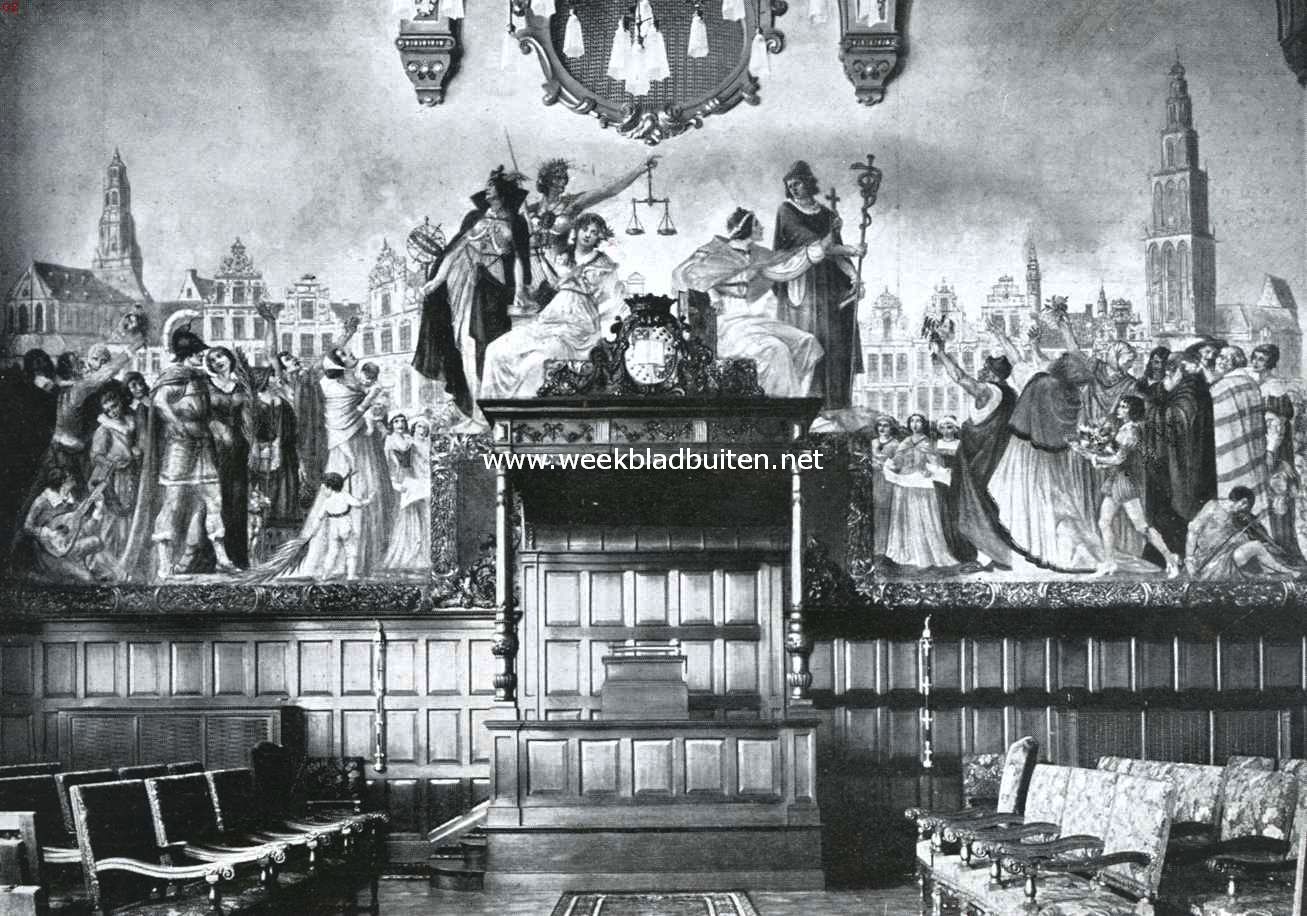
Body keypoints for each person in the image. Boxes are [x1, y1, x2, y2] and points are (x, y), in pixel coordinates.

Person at [672, 207, 855, 397]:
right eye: (757, 224)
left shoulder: (759, 256)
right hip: (725, 325)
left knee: (807, 342)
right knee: (776, 350)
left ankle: (791, 398)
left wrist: (831, 236)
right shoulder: (714, 253)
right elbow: (683, 274)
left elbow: (793, 262)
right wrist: (712, 293)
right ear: (745, 227)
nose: (761, 228)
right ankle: (777, 406)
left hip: (752, 320)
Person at [413, 166, 533, 432]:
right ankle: (477, 414)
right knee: (466, 346)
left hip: (496, 293)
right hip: (468, 289)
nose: (487, 189)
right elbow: (454, 252)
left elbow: (519, 261)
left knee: (488, 351)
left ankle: (489, 416)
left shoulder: (516, 222)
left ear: (501, 192)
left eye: (491, 185)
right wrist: (436, 281)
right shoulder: (475, 218)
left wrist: (521, 290)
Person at [121, 326, 236, 580]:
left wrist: (216, 426)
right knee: (172, 504)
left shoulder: (198, 377)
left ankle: (222, 559)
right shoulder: (174, 376)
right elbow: (161, 402)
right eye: (196, 353)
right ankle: (164, 565)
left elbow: (207, 411)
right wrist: (178, 424)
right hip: (180, 448)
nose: (201, 357)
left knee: (213, 500)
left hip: (203, 445)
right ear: (187, 353)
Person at [482, 213, 625, 399]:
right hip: (552, 315)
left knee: (536, 362)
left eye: (594, 232)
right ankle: (496, 413)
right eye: (585, 229)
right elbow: (554, 281)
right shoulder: (563, 255)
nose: (588, 235)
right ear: (577, 230)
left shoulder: (604, 263)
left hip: (580, 324)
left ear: (600, 236)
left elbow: (610, 298)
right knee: (495, 350)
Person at [987, 348, 1104, 572]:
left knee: (1044, 503)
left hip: (1030, 452)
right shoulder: (1057, 388)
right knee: (1052, 503)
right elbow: (1067, 429)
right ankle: (1056, 551)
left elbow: (1065, 427)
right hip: (1037, 453)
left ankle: (1049, 550)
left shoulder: (1044, 383)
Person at [772, 161, 863, 421]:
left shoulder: (825, 213)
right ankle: (808, 405)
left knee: (833, 339)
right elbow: (812, 244)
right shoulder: (786, 210)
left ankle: (834, 403)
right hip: (802, 284)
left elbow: (836, 253)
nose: (794, 189)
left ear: (809, 182)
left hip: (827, 285)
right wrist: (849, 248)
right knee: (811, 337)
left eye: (797, 183)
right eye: (790, 186)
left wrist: (853, 276)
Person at [1071, 395, 1181, 577]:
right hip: (1116, 479)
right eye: (1120, 406)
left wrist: (1094, 457)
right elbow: (1113, 458)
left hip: (1124, 482)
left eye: (1124, 407)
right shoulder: (1124, 429)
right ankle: (1109, 562)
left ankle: (1171, 559)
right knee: (1104, 522)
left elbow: (1118, 459)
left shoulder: (1131, 431)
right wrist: (1090, 453)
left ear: (1132, 411)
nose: (1120, 410)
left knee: (1141, 527)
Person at [527, 155, 659, 302]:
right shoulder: (531, 210)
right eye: (558, 177)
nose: (563, 181)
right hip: (535, 267)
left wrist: (638, 170)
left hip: (561, 268)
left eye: (564, 177)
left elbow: (607, 191)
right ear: (546, 181)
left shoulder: (571, 204)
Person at [933, 341, 1016, 568]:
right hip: (992, 457)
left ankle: (991, 554)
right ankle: (991, 555)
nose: (980, 371)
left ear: (993, 374)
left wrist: (941, 352)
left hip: (977, 459)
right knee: (984, 505)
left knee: (971, 505)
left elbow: (959, 378)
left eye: (985, 368)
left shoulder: (988, 391)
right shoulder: (1010, 395)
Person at [1142, 352, 1218, 560]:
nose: (1166, 374)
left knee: (1177, 509)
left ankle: (1178, 554)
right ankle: (1165, 554)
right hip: (1173, 461)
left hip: (1183, 467)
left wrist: (1151, 412)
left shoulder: (1191, 392)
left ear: (1177, 371)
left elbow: (1177, 419)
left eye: (1170, 370)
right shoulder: (1179, 390)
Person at [883, 414, 957, 569]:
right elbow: (897, 461)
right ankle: (905, 552)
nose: (915, 424)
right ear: (909, 424)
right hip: (904, 482)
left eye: (918, 421)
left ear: (923, 424)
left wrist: (930, 470)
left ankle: (923, 554)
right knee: (904, 517)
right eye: (912, 421)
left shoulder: (927, 443)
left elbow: (935, 462)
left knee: (921, 515)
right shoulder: (905, 442)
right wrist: (890, 465)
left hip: (920, 483)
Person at [204, 347, 254, 569]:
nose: (217, 362)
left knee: (238, 500)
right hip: (215, 448)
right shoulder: (207, 385)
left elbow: (247, 418)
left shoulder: (241, 386)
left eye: (220, 356)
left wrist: (253, 445)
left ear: (229, 358)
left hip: (239, 447)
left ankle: (239, 558)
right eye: (212, 360)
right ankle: (216, 558)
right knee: (218, 501)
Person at [21, 467, 114, 583]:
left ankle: (104, 573)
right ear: (63, 482)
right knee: (87, 579)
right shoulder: (41, 502)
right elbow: (27, 527)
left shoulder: (71, 503)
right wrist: (48, 533)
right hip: (49, 554)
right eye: (70, 478)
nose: (73, 481)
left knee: (97, 541)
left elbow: (82, 529)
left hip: (69, 547)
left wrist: (98, 510)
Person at [1186, 486, 1300, 580]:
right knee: (1256, 546)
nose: (1245, 511)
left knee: (1256, 547)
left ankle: (1281, 572)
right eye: (1247, 507)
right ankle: (1285, 571)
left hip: (1227, 558)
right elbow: (1193, 531)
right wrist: (1189, 559)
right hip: (1209, 563)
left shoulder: (1235, 517)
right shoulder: (1212, 507)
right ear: (1243, 502)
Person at [1210, 344, 1271, 520]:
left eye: (1224, 358)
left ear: (1236, 362)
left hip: (1233, 453)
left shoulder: (1222, 387)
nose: (1219, 361)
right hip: (1252, 450)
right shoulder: (1251, 383)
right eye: (1219, 357)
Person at [88, 387, 142, 562]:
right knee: (113, 516)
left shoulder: (131, 422)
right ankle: (106, 558)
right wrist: (113, 463)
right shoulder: (104, 430)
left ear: (121, 403)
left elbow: (134, 445)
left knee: (128, 515)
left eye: (115, 406)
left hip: (130, 474)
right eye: (108, 410)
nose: (113, 411)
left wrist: (135, 452)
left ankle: (124, 556)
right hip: (113, 477)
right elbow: (96, 455)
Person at [381, 414, 430, 573]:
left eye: (402, 421)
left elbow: (420, 459)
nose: (400, 424)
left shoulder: (410, 439)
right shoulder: (389, 441)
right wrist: (394, 483)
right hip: (401, 482)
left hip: (414, 479)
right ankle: (405, 555)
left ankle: (420, 555)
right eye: (396, 421)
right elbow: (386, 465)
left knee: (422, 515)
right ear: (391, 424)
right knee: (406, 517)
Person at [300, 472, 371, 581]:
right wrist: (369, 500)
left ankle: (325, 575)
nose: (323, 491)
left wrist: (313, 531)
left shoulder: (327, 502)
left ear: (330, 487)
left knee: (332, 552)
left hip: (333, 529)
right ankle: (351, 575)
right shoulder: (344, 495)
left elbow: (319, 518)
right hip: (345, 526)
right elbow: (358, 504)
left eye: (325, 489)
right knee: (351, 551)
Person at [868, 416, 899, 560]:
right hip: (873, 479)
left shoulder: (895, 444)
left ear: (891, 427)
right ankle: (875, 545)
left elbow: (899, 464)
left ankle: (885, 547)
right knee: (874, 511)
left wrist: (887, 465)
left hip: (888, 481)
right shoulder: (872, 443)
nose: (882, 428)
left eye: (885, 425)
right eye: (879, 425)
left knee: (886, 511)